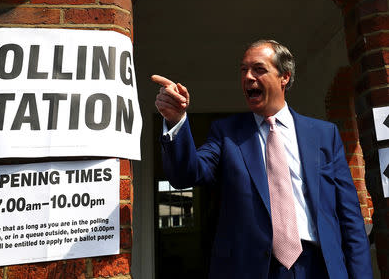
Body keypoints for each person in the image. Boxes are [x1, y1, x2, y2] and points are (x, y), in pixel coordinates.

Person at [151, 40, 373, 279]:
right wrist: (176, 121)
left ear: (284, 77)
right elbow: (187, 174)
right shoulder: (226, 134)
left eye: (258, 69)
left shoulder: (323, 135)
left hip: (319, 266)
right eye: (243, 70)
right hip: (253, 269)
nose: (248, 76)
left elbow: (350, 218)